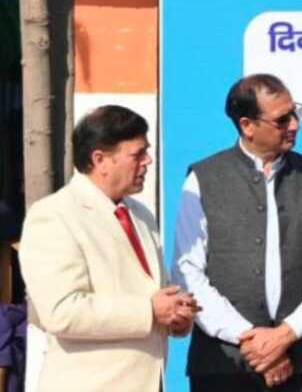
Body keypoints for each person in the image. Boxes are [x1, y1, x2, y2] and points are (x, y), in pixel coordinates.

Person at [173, 74, 302, 391]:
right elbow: (187, 270)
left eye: (295, 113)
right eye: (282, 120)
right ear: (247, 125)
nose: (294, 125)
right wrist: (249, 339)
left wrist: (287, 333)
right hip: (225, 366)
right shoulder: (203, 179)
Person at [20, 105, 197, 391]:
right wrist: (149, 310)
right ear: (100, 159)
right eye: (137, 154)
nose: (148, 161)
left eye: (147, 152)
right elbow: (61, 311)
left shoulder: (140, 215)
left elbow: (153, 293)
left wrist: (175, 314)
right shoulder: (54, 215)